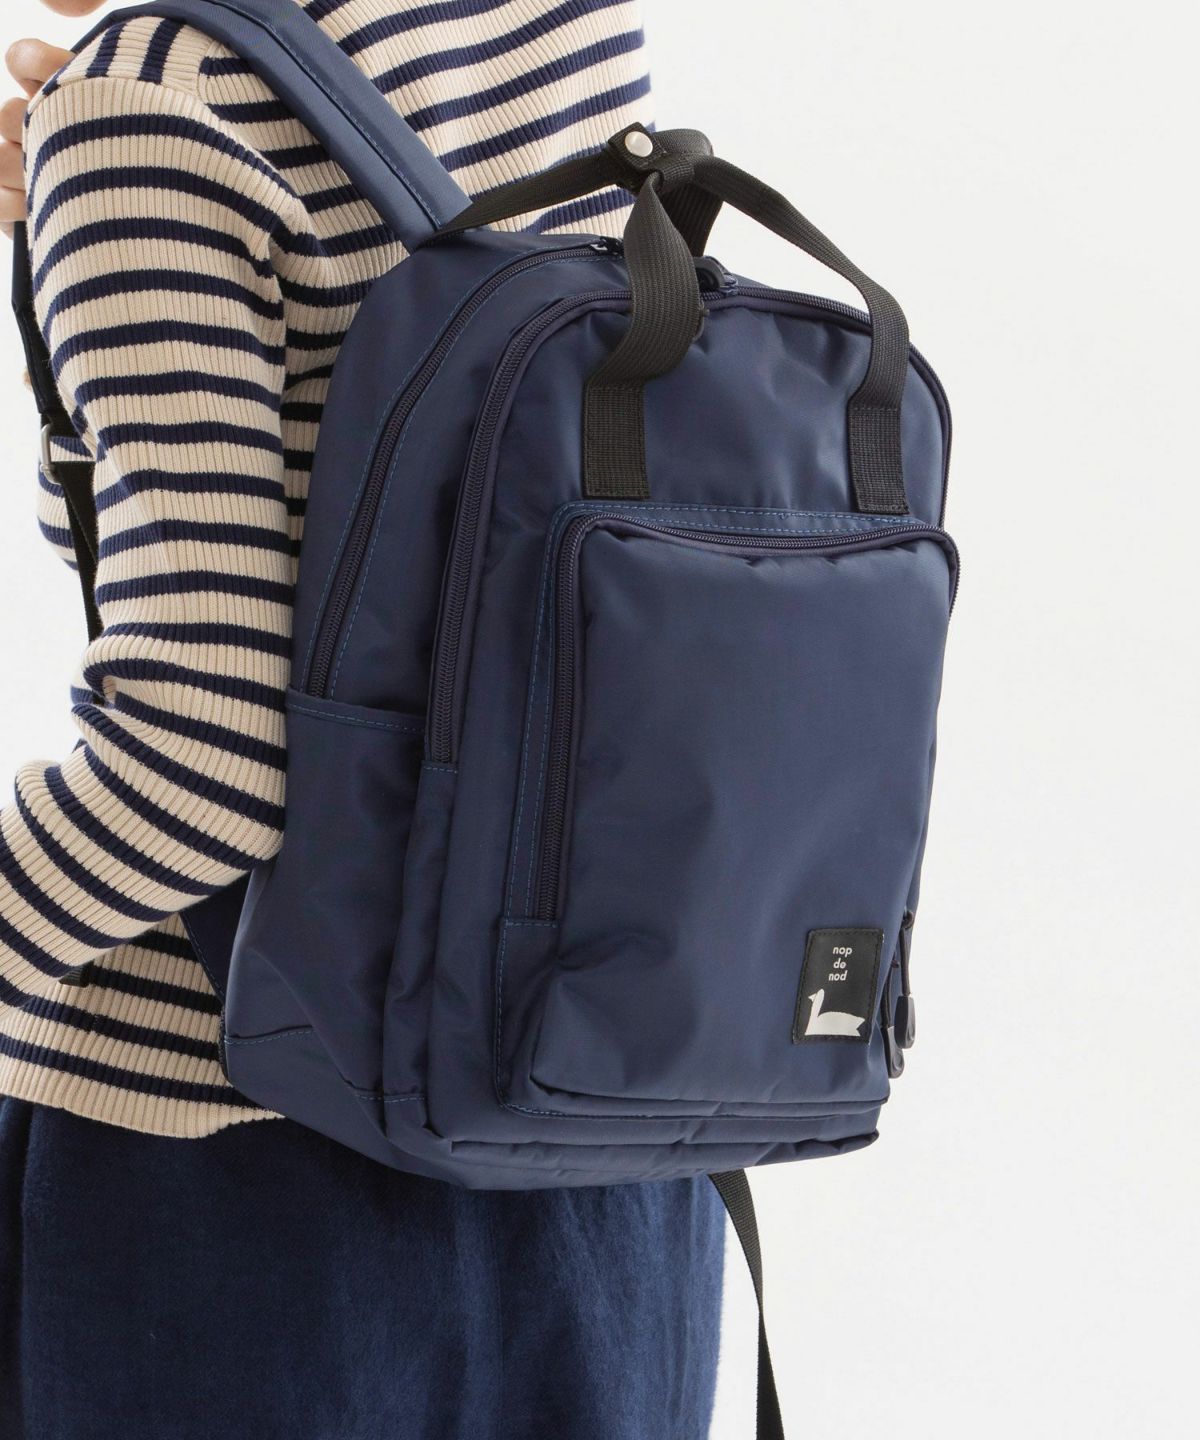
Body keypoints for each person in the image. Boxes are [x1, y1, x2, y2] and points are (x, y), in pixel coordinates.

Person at [0, 4, 724, 1437]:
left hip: (237, 1193)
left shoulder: (154, 100)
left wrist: (124, 164)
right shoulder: (566, 17)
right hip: (600, 1119)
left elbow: (193, 777)